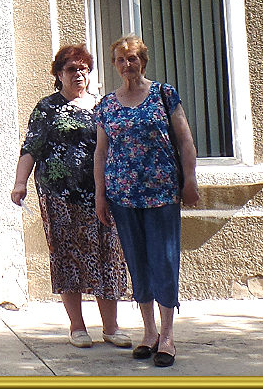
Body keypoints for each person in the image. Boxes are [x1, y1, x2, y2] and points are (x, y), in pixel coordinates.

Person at [11, 44, 131, 350]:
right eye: (71, 69)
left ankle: (111, 327)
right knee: (68, 258)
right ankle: (77, 327)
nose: (78, 74)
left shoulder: (102, 106)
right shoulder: (47, 108)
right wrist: (20, 183)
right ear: (59, 74)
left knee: (107, 257)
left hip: (100, 196)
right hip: (59, 197)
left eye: (83, 69)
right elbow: (31, 147)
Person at [93, 34, 200, 368]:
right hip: (122, 196)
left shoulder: (163, 95)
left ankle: (167, 336)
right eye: (121, 59)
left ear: (143, 61)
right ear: (114, 65)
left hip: (161, 193)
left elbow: (185, 141)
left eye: (133, 58)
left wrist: (190, 180)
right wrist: (100, 195)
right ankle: (149, 332)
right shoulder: (106, 105)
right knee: (137, 263)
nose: (127, 64)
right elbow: (101, 152)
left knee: (163, 260)